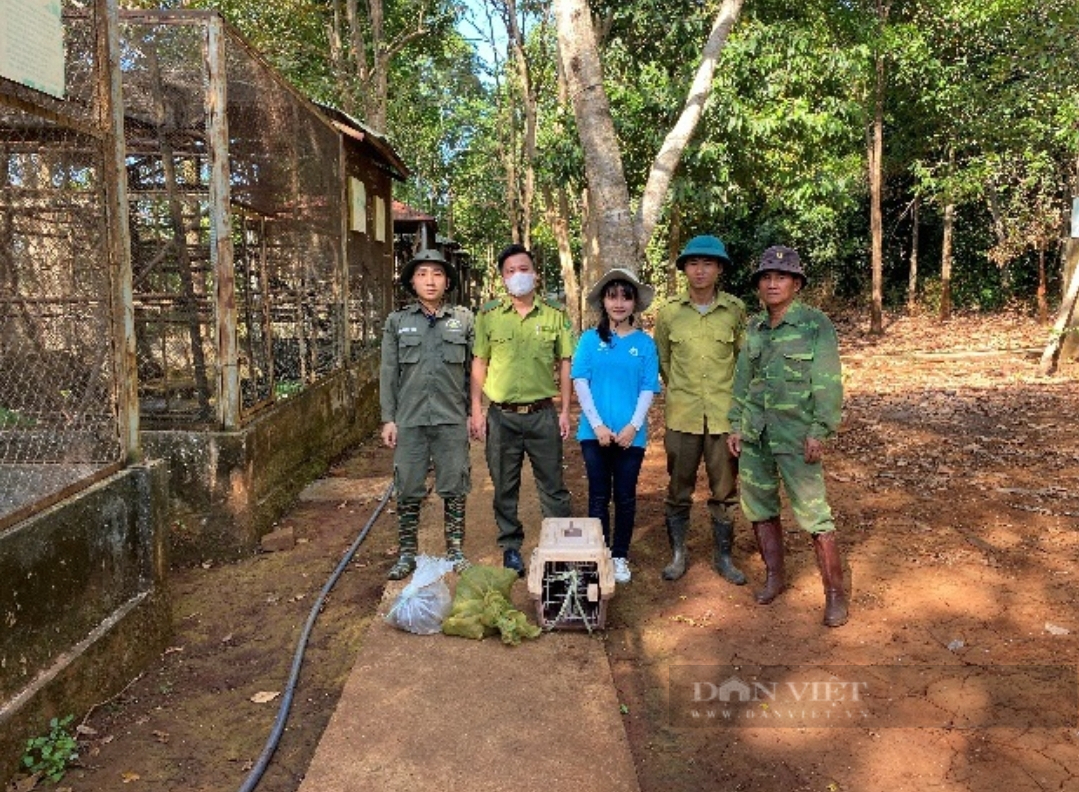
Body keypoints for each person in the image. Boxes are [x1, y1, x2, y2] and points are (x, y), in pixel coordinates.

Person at [727, 245, 848, 627]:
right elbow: (742, 381)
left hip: (797, 436)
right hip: (756, 434)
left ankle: (834, 596)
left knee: (814, 514)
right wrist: (735, 424)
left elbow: (828, 382)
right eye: (766, 277)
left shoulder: (815, 325)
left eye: (781, 277)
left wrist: (820, 430)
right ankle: (774, 578)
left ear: (796, 283)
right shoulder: (755, 328)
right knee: (760, 507)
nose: (772, 283)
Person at [469, 244, 575, 576]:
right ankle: (511, 546)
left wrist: (565, 410)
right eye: (511, 271)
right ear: (502, 278)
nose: (518, 276)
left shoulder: (555, 315)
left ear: (536, 274)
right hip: (502, 417)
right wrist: (475, 409)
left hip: (543, 414)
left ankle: (558, 544)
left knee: (552, 484)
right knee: (504, 484)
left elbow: (565, 363)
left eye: (524, 269)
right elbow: (480, 361)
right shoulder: (488, 316)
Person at [653, 234, 747, 584]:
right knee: (679, 487)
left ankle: (723, 557)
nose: (700, 270)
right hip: (683, 416)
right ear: (684, 270)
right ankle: (679, 555)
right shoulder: (668, 315)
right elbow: (664, 362)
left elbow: (743, 365)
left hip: (724, 417)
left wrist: (739, 416)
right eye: (693, 263)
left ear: (719, 268)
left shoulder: (735, 311)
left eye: (708, 263)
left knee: (724, 490)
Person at [379, 249, 474, 579]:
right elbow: (389, 373)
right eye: (422, 274)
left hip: (451, 418)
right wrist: (388, 418)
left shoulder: (463, 320)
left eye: (437, 274)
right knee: (407, 486)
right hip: (410, 419)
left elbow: (473, 373)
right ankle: (407, 554)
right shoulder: (397, 322)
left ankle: (456, 550)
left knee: (455, 484)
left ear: (447, 281)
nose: (430, 280)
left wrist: (474, 413)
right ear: (412, 281)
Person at [571, 269, 661, 584]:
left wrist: (633, 426)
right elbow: (580, 381)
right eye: (613, 296)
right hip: (593, 434)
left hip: (630, 437)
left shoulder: (645, 345)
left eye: (626, 296)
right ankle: (599, 554)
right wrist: (597, 425)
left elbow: (648, 388)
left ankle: (620, 555)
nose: (619, 303)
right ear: (604, 302)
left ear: (634, 302)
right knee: (598, 495)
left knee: (624, 495)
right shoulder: (589, 339)